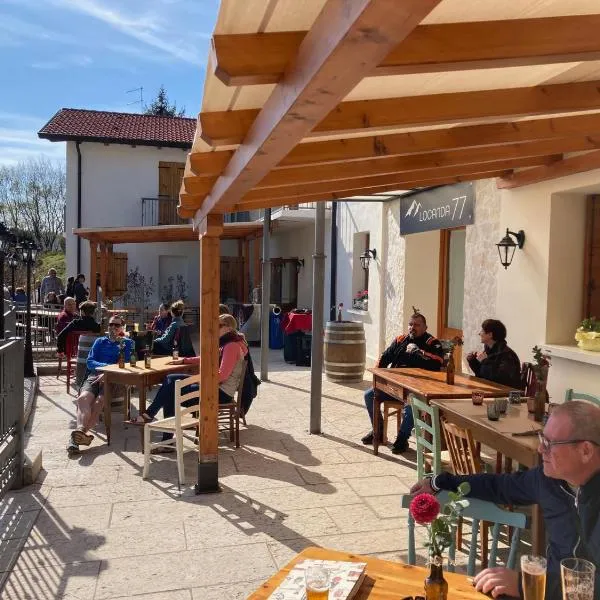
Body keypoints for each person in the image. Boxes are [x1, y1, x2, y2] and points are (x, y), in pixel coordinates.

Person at [410, 400, 600, 600]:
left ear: (586, 451)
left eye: (549, 444)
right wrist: (440, 482)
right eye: (542, 439)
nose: (540, 449)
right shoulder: (548, 481)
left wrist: (525, 584)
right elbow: (498, 486)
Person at [127, 313, 248, 448]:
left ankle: (160, 430)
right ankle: (154, 421)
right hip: (213, 387)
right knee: (170, 378)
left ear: (228, 328)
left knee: (171, 391)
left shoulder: (231, 346)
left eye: (218, 326)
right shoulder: (226, 343)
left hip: (220, 393)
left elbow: (222, 376)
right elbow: (206, 358)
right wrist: (184, 360)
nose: (214, 328)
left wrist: (198, 379)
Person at [361, 312, 444, 454]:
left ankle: (402, 439)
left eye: (417, 325)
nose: (412, 327)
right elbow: (384, 357)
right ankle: (378, 432)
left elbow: (437, 363)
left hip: (417, 389)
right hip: (395, 387)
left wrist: (419, 352)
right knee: (369, 395)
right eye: (410, 324)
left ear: (425, 327)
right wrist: (377, 376)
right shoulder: (401, 339)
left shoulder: (432, 343)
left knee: (411, 407)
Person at [67, 315, 133, 456]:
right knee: (82, 399)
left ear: (122, 327)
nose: (113, 327)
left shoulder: (126, 343)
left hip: (114, 378)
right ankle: (81, 433)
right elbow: (90, 362)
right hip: (94, 375)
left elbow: (126, 363)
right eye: (111, 324)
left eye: (117, 325)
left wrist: (107, 373)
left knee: (99, 402)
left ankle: (76, 439)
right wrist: (106, 367)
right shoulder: (99, 341)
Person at [466, 319, 521, 389]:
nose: (479, 333)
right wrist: (473, 361)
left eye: (482, 331)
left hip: (506, 393)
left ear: (490, 335)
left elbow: (500, 379)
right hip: (492, 389)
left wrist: (485, 361)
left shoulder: (507, 355)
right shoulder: (490, 350)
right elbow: (483, 374)